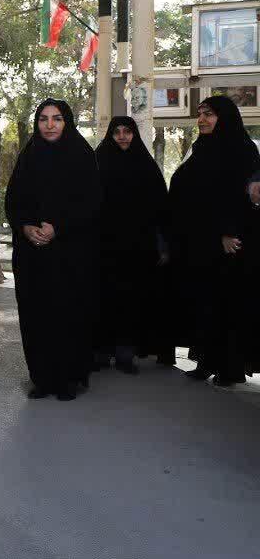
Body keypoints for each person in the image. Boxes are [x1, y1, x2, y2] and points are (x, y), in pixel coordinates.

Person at [5, 98, 101, 401]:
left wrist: (58, 227)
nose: (49, 125)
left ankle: (69, 378)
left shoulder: (82, 155)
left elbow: (92, 204)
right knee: (36, 315)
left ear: (67, 122)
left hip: (71, 255)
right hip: (32, 255)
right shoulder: (28, 156)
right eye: (43, 119)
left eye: (57, 118)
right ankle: (42, 378)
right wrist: (25, 227)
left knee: (69, 314)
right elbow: (13, 200)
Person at [166, 96, 260, 386]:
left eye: (209, 114)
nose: (202, 120)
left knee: (227, 305)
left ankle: (229, 368)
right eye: (200, 114)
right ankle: (206, 361)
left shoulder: (243, 150)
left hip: (229, 243)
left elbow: (238, 196)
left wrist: (227, 232)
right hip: (202, 240)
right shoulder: (202, 148)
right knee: (205, 303)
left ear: (225, 117)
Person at [93, 116, 167, 373]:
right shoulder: (97, 163)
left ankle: (126, 354)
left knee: (131, 299)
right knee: (103, 298)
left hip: (137, 248)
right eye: (117, 132)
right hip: (103, 247)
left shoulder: (145, 166)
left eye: (127, 131)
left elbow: (160, 207)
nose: (122, 136)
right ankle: (101, 351)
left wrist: (161, 244)